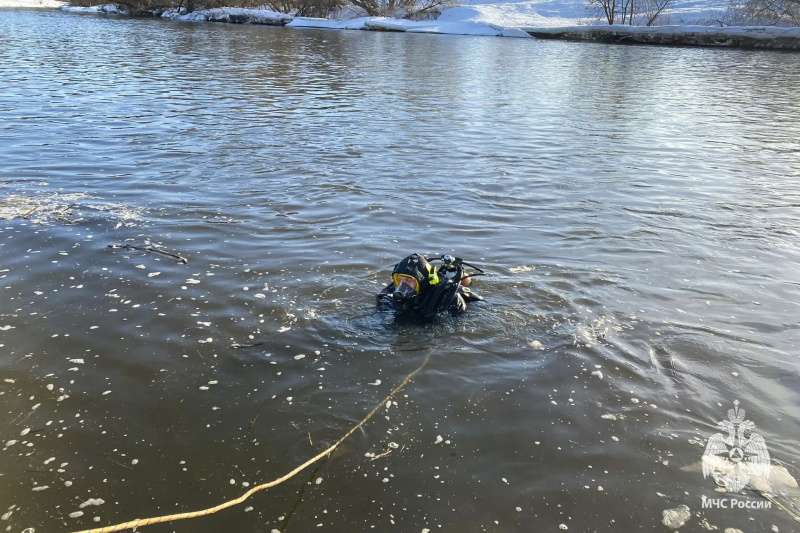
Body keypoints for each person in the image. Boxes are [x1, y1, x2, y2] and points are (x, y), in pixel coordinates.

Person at [377, 253, 483, 318]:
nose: (403, 284)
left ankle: (458, 274)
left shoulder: (447, 296)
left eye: (409, 279)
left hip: (466, 299)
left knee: (465, 286)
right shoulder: (394, 291)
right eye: (400, 279)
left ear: (420, 280)